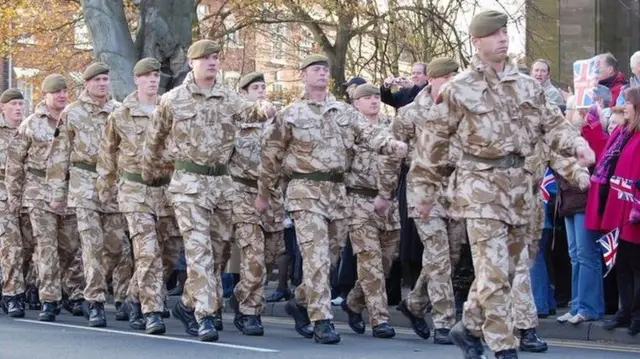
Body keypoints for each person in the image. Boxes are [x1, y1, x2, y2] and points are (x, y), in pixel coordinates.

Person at [409, 10, 595, 359]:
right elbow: (431, 142)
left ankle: (468, 327)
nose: (503, 39)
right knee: (492, 270)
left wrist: (577, 145)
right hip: (480, 189)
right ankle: (503, 346)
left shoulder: (527, 86)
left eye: (505, 32)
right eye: (493, 34)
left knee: (506, 272)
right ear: (476, 43)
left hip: (521, 190)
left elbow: (552, 125)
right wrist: (424, 192)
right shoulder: (460, 89)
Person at [255, 53, 408, 344]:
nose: (322, 73)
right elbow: (271, 155)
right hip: (304, 192)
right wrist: (265, 193)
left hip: (337, 195)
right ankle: (322, 320)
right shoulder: (291, 114)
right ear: (303, 75)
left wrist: (390, 145)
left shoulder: (343, 112)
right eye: (316, 69)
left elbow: (369, 133)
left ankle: (300, 301)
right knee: (315, 257)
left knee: (328, 260)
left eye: (325, 69)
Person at [141, 40, 273, 342]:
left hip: (222, 186)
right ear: (192, 63)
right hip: (188, 185)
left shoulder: (227, 96)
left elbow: (249, 111)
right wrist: (152, 178)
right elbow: (154, 141)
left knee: (217, 253)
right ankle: (205, 316)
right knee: (198, 250)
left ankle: (188, 304)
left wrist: (264, 107)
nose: (212, 62)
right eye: (205, 58)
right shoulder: (173, 99)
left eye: (215, 58)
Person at [96, 58, 181, 334]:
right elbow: (107, 154)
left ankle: (133, 296)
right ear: (137, 80)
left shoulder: (170, 109)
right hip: (135, 193)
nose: (153, 80)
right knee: (147, 252)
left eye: (156, 75)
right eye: (147, 76)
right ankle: (152, 310)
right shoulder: (120, 115)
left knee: (169, 253)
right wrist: (105, 188)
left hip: (167, 190)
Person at [47, 62, 134, 327]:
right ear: (86, 84)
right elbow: (60, 154)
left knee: (119, 246)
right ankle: (94, 301)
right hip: (83, 186)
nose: (102, 84)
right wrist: (58, 193)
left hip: (114, 186)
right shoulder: (72, 113)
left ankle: (122, 298)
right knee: (91, 246)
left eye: (105, 79)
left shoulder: (119, 111)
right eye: (96, 80)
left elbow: (129, 150)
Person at [5, 75, 84, 322]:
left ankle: (73, 292)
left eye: (64, 91)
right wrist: (14, 196)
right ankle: (49, 299)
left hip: (70, 191)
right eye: (56, 92)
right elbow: (15, 163)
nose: (61, 95)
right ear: (45, 95)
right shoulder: (31, 124)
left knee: (71, 247)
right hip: (38, 192)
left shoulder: (75, 119)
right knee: (46, 246)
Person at [397, 57, 460, 345]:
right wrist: (385, 194)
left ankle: (413, 303)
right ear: (432, 79)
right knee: (437, 255)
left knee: (451, 256)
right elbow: (392, 156)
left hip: (457, 188)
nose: (451, 82)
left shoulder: (464, 112)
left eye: (455, 77)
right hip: (424, 188)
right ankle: (444, 322)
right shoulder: (409, 114)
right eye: (446, 77)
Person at [340, 84, 401, 339]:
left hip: (389, 204)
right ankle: (380, 319)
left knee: (385, 264)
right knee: (370, 262)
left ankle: (353, 302)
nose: (374, 100)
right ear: (356, 103)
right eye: (367, 97)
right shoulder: (349, 130)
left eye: (376, 96)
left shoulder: (391, 127)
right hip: (359, 202)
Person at [228, 71, 285, 336]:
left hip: (272, 195)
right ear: (244, 94)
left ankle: (241, 293)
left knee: (272, 255)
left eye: (263, 87)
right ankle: (250, 312)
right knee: (254, 253)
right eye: (255, 88)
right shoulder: (235, 124)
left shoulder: (279, 123)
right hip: (243, 192)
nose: (261, 91)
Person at [583, 87, 640, 336]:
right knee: (621, 263)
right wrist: (593, 128)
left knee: (637, 266)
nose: (622, 105)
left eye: (627, 102)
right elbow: (603, 154)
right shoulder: (620, 132)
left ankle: (637, 315)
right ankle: (624, 311)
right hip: (616, 206)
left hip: (633, 207)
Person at [0, 88, 26, 318]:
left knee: (29, 247)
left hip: (29, 197)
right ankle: (12, 295)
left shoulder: (29, 130)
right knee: (12, 246)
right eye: (13, 104)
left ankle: (30, 290)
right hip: (3, 199)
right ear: (3, 107)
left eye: (20, 104)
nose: (18, 108)